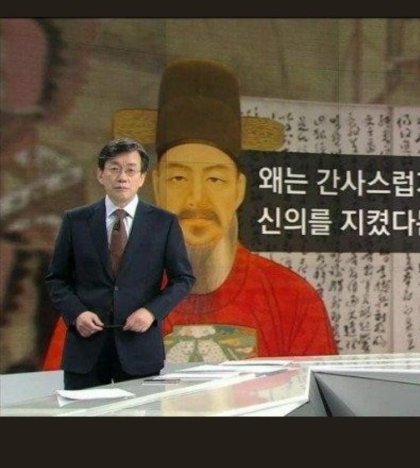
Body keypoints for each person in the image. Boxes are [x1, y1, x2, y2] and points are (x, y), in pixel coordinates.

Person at [44, 59, 337, 368]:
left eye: (215, 179)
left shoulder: (291, 298)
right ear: (157, 186)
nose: (196, 199)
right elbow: (60, 392)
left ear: (238, 189)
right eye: (179, 178)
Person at [43, 138, 195, 389]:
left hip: (140, 348)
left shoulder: (164, 223)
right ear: (100, 175)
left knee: (141, 413)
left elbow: (183, 279)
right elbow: (57, 279)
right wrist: (77, 313)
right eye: (114, 169)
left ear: (142, 178)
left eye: (131, 170)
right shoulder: (75, 221)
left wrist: (151, 312)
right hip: (86, 348)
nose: (122, 177)